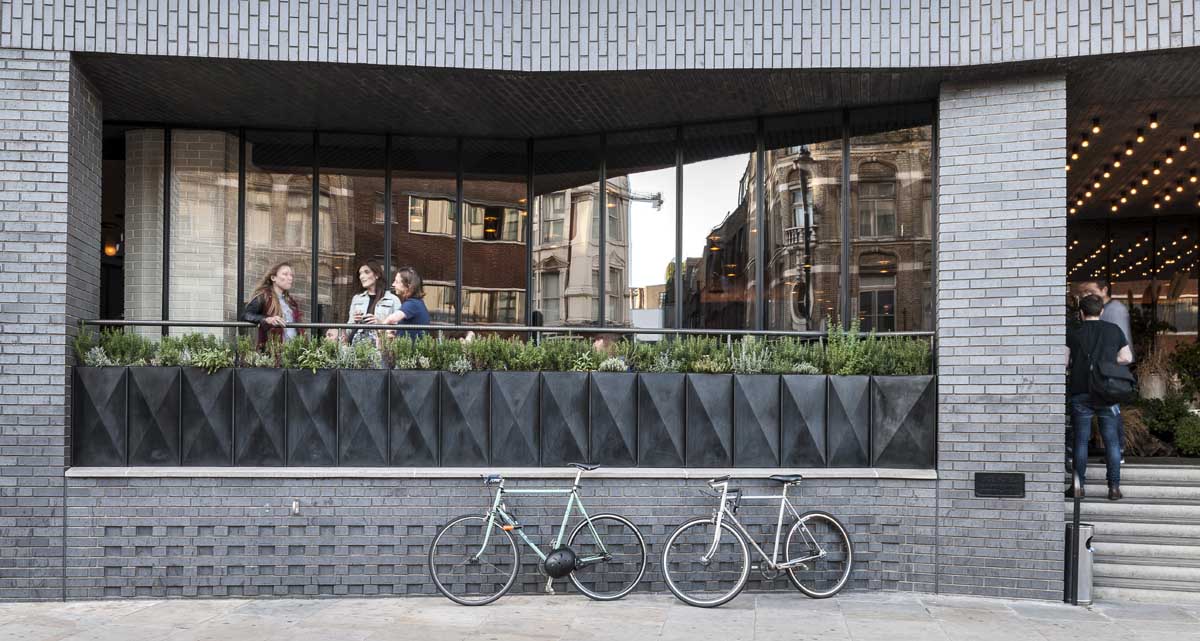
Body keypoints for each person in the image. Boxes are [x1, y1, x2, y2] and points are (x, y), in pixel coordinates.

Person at [1066, 294, 1133, 501]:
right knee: (1112, 441)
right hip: (1107, 392)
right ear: (1101, 311)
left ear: (1081, 313)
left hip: (1081, 391)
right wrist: (1107, 360)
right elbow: (1126, 358)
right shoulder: (1113, 330)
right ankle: (1113, 488)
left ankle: (1078, 487)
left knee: (1081, 441)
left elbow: (1065, 362)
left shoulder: (1073, 332)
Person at [1078, 278, 1133, 463]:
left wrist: (1105, 362)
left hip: (1102, 377)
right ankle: (1114, 484)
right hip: (1105, 378)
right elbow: (1124, 354)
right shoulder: (1109, 321)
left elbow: (1123, 352)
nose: (1087, 294)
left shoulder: (1115, 310)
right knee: (1110, 430)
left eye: (1090, 291)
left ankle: (1080, 482)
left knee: (1083, 438)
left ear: (1104, 290)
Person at [333, 261, 401, 346]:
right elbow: (349, 330)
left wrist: (380, 323)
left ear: (377, 275)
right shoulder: (357, 299)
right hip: (358, 346)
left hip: (381, 346)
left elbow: (399, 329)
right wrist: (355, 321)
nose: (362, 276)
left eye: (366, 272)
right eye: (360, 274)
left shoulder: (392, 299)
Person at [241, 262, 303, 347]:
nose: (290, 278)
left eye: (291, 275)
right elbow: (245, 315)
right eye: (285, 274)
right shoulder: (263, 297)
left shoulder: (291, 302)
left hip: (293, 352)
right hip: (273, 350)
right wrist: (267, 319)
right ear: (273, 278)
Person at [381, 266, 431, 339]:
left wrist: (379, 330)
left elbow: (392, 319)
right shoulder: (416, 303)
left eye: (397, 282)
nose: (393, 284)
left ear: (408, 286)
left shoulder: (412, 304)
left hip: (411, 349)